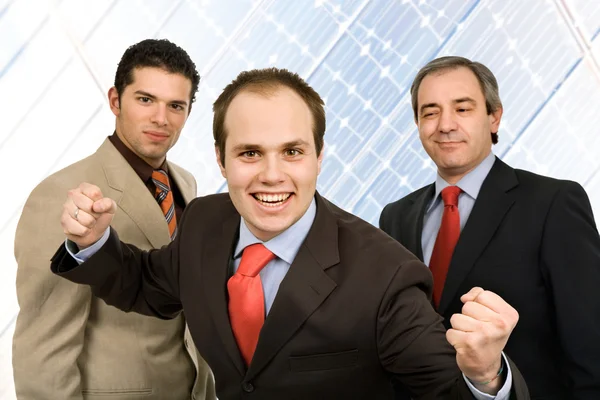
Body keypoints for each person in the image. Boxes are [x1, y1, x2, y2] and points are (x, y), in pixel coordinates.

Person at [50, 67, 529, 399]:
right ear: (221, 160)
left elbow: (444, 388)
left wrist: (486, 376)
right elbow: (147, 286)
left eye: (293, 152)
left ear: (320, 158)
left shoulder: (385, 275)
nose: (272, 175)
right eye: (251, 153)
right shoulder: (203, 224)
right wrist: (92, 242)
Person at [379, 56, 600, 399]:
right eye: (430, 112)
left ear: (494, 116)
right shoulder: (395, 218)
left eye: (463, 109)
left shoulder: (552, 203)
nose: (445, 125)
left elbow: (591, 348)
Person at [13, 39, 215, 400]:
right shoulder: (63, 195)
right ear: (115, 100)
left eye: (176, 106)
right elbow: (42, 350)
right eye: (145, 99)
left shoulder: (185, 183)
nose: (160, 118)